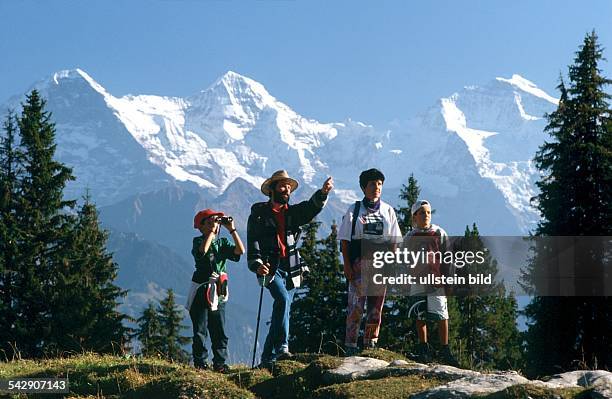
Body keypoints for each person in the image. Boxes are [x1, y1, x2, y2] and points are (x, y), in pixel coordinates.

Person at [247, 170, 333, 368]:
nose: (286, 190)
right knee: (283, 300)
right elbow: (253, 242)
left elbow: (310, 209)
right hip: (270, 267)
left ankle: (266, 359)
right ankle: (283, 348)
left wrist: (323, 192)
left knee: (282, 310)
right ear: (272, 190)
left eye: (288, 186)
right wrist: (257, 264)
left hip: (293, 266)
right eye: (282, 186)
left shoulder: (292, 213)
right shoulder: (258, 215)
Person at [338, 168, 402, 356]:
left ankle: (370, 343)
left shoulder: (387, 210)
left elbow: (394, 241)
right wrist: (347, 265)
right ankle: (350, 345)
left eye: (380, 184)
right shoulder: (354, 209)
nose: (377, 188)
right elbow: (344, 240)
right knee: (356, 307)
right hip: (359, 265)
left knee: (376, 307)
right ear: (364, 188)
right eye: (373, 184)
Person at [186, 209, 245, 373]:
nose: (215, 224)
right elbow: (202, 251)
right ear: (201, 226)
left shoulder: (222, 243)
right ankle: (200, 362)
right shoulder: (197, 241)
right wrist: (212, 232)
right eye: (210, 221)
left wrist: (232, 230)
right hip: (201, 288)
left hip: (219, 289)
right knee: (200, 329)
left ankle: (220, 363)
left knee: (219, 329)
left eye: (217, 221)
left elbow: (241, 251)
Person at [403, 199, 458, 366]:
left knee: (442, 314)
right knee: (420, 315)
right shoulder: (409, 237)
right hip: (417, 282)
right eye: (422, 212)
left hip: (437, 281)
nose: (426, 215)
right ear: (414, 217)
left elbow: (448, 258)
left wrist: (449, 281)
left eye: (428, 212)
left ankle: (445, 350)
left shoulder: (439, 233)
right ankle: (423, 349)